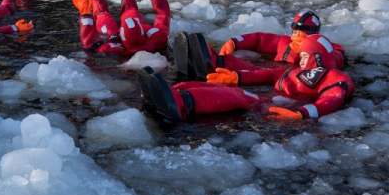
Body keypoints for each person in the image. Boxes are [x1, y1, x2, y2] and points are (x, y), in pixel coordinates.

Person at [139, 34, 353, 124]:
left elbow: (332, 98)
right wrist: (237, 77)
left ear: (317, 56)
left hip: (281, 107)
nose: (302, 60)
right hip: (277, 99)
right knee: (233, 84)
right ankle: (178, 87)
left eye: (306, 57)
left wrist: (300, 114)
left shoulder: (336, 77)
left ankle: (182, 102)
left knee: (238, 96)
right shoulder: (296, 70)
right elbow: (270, 74)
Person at [172, 10, 346, 81]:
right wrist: (236, 41)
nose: (295, 33)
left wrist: (319, 47)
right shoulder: (284, 43)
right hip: (272, 71)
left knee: (246, 70)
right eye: (294, 29)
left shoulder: (323, 47)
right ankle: (207, 60)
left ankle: (210, 63)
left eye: (300, 31)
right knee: (244, 66)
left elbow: (336, 57)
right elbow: (260, 39)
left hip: (286, 78)